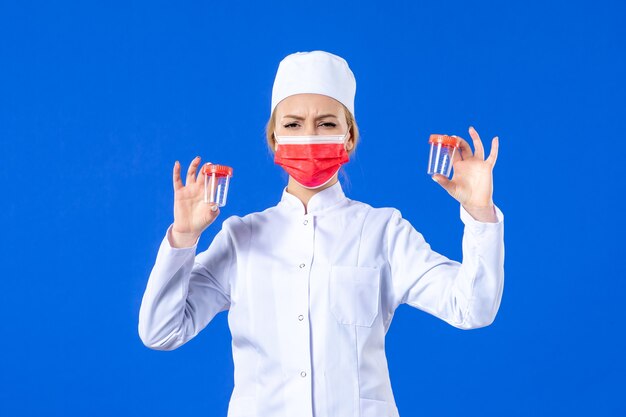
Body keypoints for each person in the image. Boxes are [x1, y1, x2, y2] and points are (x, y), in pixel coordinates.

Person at [138, 50, 505, 417]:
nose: (309, 136)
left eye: (327, 124)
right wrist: (183, 238)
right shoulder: (241, 238)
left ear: (348, 137)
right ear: (274, 138)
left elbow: (472, 308)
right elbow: (161, 331)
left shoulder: (382, 231)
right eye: (293, 125)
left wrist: (479, 213)